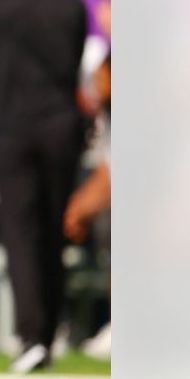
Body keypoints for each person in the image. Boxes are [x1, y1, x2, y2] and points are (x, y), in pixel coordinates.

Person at [0, 0, 87, 374]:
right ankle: (50, 330)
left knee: (20, 231)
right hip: (60, 123)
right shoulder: (70, 4)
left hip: (15, 124)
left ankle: (31, 335)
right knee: (53, 228)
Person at [64, 54, 110, 360]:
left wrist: (79, 209)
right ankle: (57, 323)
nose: (96, 81)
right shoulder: (102, 116)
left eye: (102, 74)